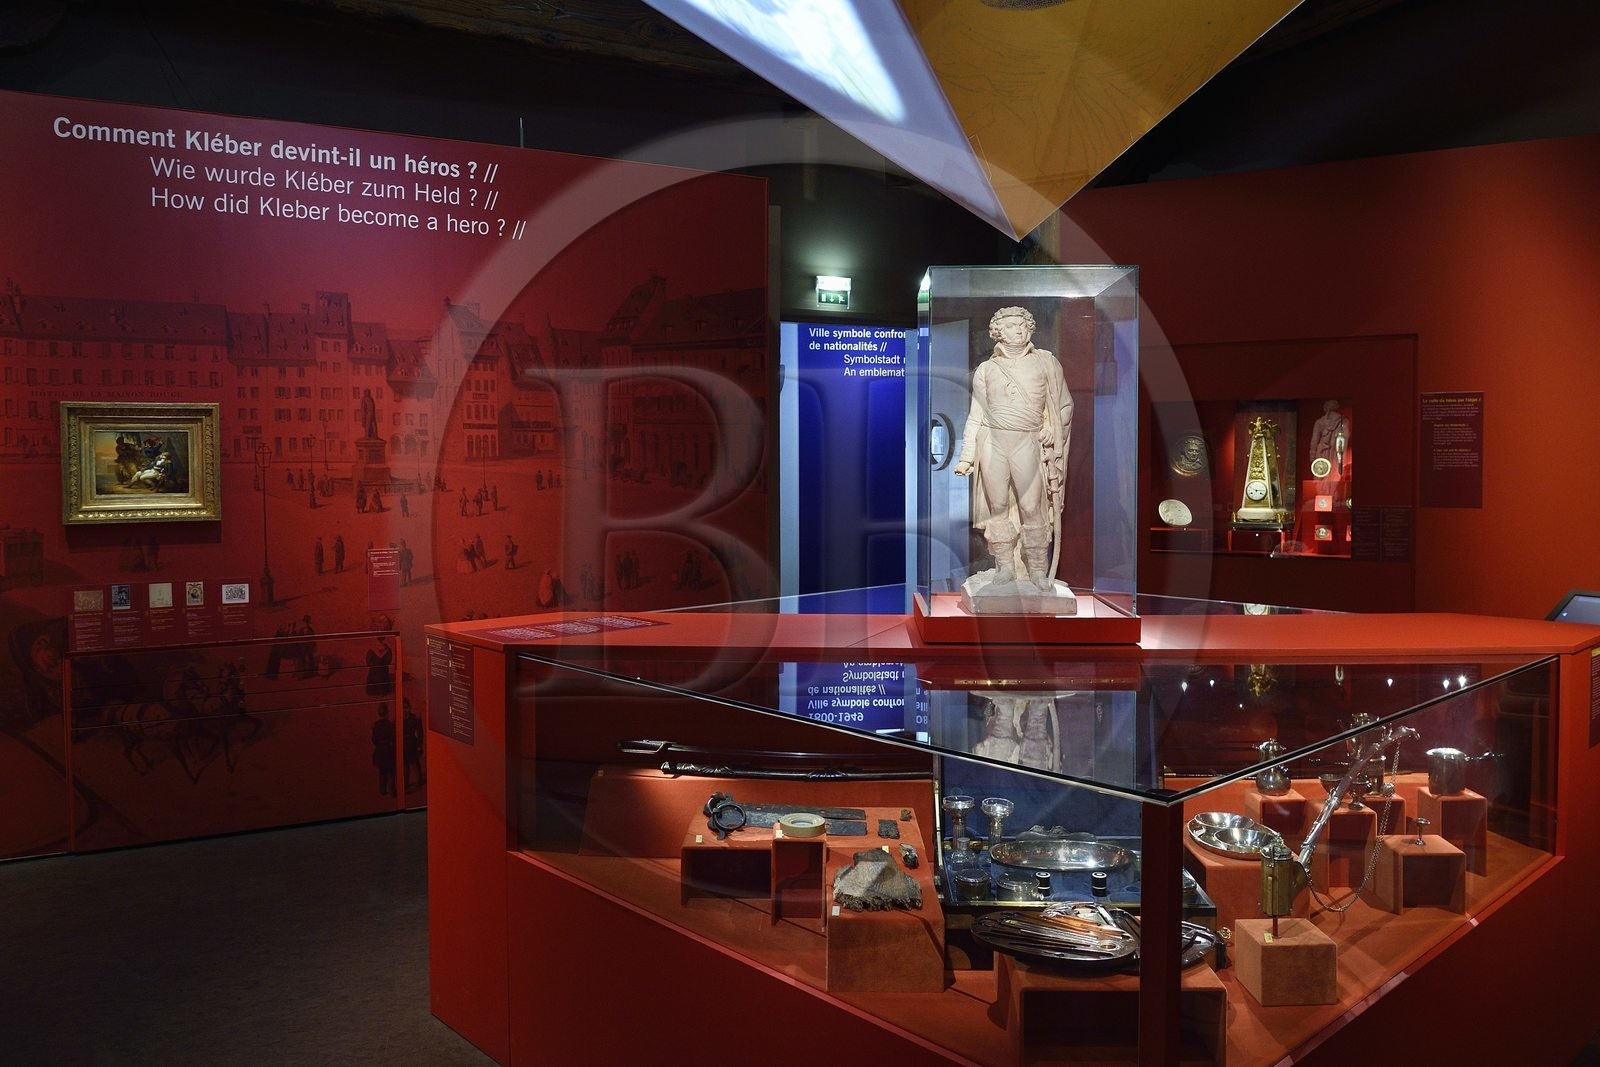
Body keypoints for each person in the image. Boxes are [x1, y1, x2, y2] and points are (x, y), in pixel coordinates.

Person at [953, 306, 1072, 592]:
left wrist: (1051, 429)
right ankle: (1005, 567)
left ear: (1030, 328)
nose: (1017, 330)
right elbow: (976, 415)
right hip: (993, 442)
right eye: (1010, 326)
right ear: (998, 331)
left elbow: (1064, 405)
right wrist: (967, 456)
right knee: (998, 507)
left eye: (1022, 325)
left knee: (1032, 507)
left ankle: (1037, 569)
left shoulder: (1046, 363)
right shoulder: (986, 370)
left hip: (1028, 440)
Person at [1309, 399, 1350, 473]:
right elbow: (1345, 439)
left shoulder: (1342, 421)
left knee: (1324, 476)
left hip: (1329, 453)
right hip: (1330, 453)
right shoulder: (1343, 421)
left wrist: (1312, 457)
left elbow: (1314, 441)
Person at [372, 702, 397, 797]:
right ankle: (391, 790)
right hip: (388, 750)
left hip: (379, 750)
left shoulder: (376, 725)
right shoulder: (389, 725)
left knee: (382, 771)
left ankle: (382, 790)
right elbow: (393, 738)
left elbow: (374, 740)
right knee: (391, 771)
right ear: (387, 713)